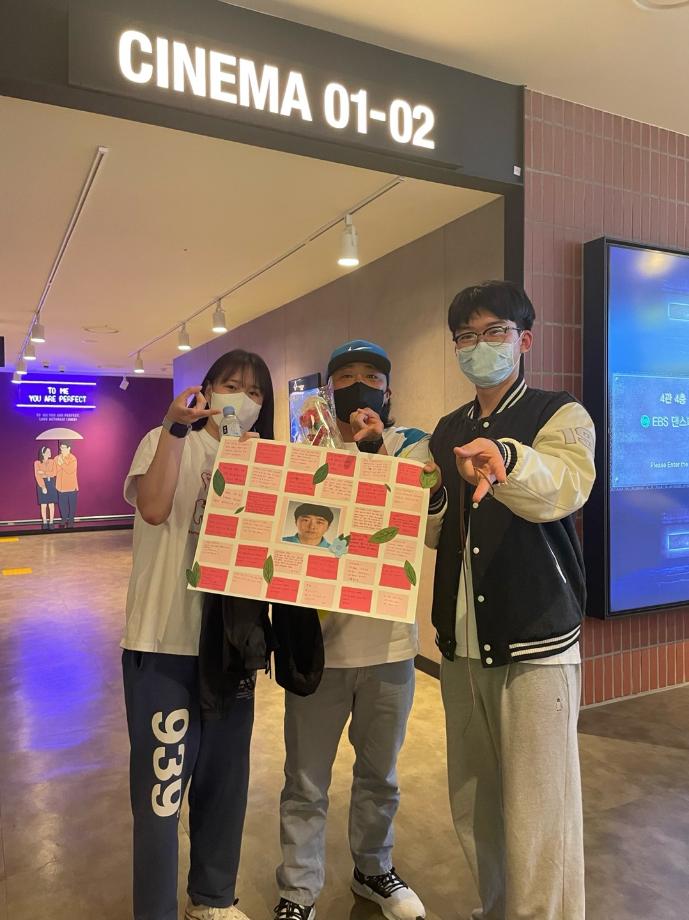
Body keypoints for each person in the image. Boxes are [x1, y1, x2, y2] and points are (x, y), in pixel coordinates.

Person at [425, 281, 596, 920]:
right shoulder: (447, 430)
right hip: (463, 644)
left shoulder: (560, 415)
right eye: (466, 337)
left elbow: (563, 489)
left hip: (535, 641)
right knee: (474, 802)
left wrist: (505, 459)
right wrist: (426, 492)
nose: (480, 346)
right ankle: (497, 909)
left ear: (524, 340)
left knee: (539, 812)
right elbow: (436, 529)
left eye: (494, 332)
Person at [275, 340, 431, 920]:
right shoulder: (304, 451)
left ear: (388, 391)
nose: (359, 385)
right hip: (318, 650)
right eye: (345, 377)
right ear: (327, 389)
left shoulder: (411, 445)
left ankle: (373, 868)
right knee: (305, 782)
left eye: (371, 376)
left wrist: (374, 447)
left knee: (379, 775)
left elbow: (420, 514)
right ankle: (297, 891)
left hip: (390, 646)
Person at [122, 349, 274, 920]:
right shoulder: (164, 440)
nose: (243, 399)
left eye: (255, 392)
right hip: (164, 642)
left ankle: (212, 899)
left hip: (231, 646)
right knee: (161, 795)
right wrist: (173, 427)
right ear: (207, 390)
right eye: (232, 385)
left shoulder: (261, 458)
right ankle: (155, 910)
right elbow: (154, 508)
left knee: (225, 782)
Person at [55, 440, 79, 528]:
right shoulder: (56, 458)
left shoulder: (73, 458)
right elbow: (54, 471)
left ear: (69, 448)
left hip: (71, 487)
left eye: (63, 447)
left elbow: (70, 470)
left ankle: (71, 520)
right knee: (62, 505)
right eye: (61, 447)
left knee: (72, 505)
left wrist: (62, 464)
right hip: (60, 487)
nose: (61, 449)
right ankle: (64, 519)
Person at [34, 445, 58, 530]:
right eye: (48, 452)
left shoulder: (52, 461)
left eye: (50, 451)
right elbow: (38, 476)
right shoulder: (37, 463)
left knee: (51, 504)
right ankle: (44, 522)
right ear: (43, 453)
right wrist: (43, 487)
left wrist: (44, 472)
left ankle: (51, 522)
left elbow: (54, 473)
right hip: (41, 484)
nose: (50, 453)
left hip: (51, 483)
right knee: (43, 505)